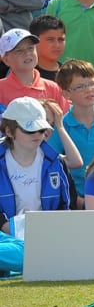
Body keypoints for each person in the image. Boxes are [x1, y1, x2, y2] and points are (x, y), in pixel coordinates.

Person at [0, 97, 72, 266]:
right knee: (22, 253)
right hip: (4, 236)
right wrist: (5, 226)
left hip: (48, 236)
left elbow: (65, 206)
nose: (38, 135)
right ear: (9, 131)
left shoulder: (56, 162)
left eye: (41, 129)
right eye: (30, 130)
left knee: (28, 253)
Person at [48, 59, 94, 202]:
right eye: (80, 87)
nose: (89, 90)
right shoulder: (61, 126)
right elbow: (52, 163)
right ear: (66, 94)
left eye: (92, 83)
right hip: (76, 197)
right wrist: (75, 198)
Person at [0, 29, 68, 112]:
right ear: (6, 60)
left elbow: (65, 121)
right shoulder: (1, 89)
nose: (27, 53)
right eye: (19, 51)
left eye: (31, 48)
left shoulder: (53, 88)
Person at [28, 15, 66, 81]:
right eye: (50, 39)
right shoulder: (25, 74)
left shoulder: (70, 73)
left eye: (61, 39)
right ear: (35, 41)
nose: (56, 45)